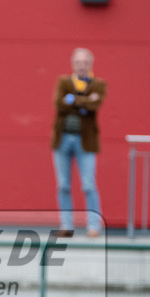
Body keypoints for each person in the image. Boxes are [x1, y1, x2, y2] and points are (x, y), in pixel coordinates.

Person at [51, 47, 106, 238]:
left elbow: (95, 105)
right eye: (77, 62)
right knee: (63, 184)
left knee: (88, 184)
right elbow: (58, 103)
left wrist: (72, 100)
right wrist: (85, 101)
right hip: (63, 140)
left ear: (90, 64)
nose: (81, 66)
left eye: (84, 62)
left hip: (86, 141)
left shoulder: (99, 84)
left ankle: (93, 225)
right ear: (72, 64)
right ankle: (66, 225)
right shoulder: (63, 82)